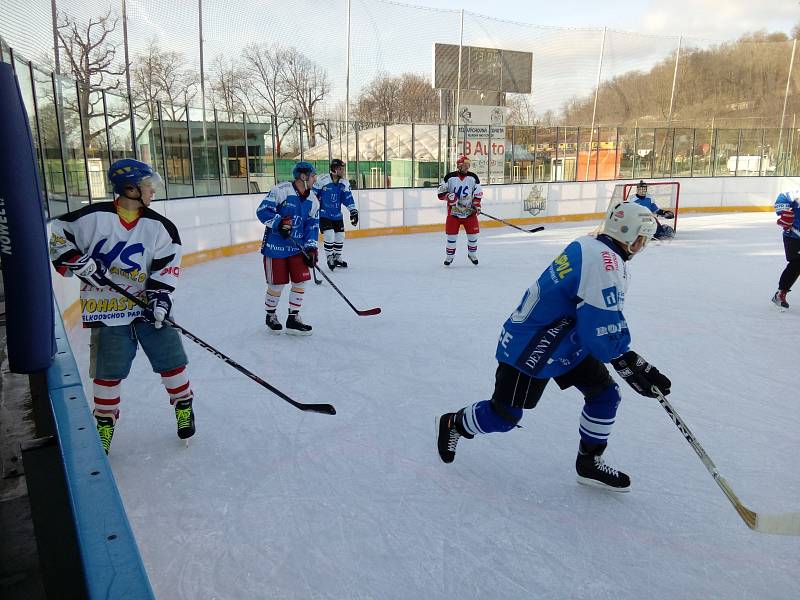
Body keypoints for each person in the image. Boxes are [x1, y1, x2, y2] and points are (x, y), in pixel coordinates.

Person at [436, 202, 671, 492]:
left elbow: (597, 315)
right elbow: (599, 326)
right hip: (531, 347)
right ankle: (454, 423)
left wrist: (627, 357)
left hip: (566, 341)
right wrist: (625, 358)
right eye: (644, 239)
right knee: (505, 416)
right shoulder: (606, 263)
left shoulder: (591, 244)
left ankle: (589, 462)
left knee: (605, 394)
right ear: (635, 238)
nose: (643, 245)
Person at [48, 159, 195, 454]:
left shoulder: (161, 227)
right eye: (146, 184)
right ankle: (104, 423)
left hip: (146, 308)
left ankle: (183, 405)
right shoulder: (91, 218)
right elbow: (55, 233)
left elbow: (166, 267)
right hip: (105, 309)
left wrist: (159, 299)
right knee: (107, 371)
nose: (152, 189)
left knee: (171, 359)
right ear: (129, 189)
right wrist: (77, 260)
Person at [256, 161, 320, 335]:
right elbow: (262, 211)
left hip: (297, 248)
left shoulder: (313, 200)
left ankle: (293, 318)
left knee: (301, 281)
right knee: (276, 285)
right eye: (313, 175)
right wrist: (279, 222)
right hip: (274, 248)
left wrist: (312, 248)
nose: (315, 179)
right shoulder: (281, 190)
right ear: (303, 176)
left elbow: (312, 226)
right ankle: (271, 315)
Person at [437, 155, 483, 265]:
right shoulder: (450, 177)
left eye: (468, 164)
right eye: (465, 164)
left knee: (473, 236)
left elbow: (478, 194)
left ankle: (472, 254)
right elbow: (440, 193)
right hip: (454, 213)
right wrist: (448, 196)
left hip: (469, 213)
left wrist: (476, 205)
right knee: (451, 237)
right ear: (459, 165)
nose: (467, 167)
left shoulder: (473, 177)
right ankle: (449, 257)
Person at [313, 158, 358, 270]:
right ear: (334, 169)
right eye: (340, 169)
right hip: (324, 214)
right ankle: (329, 257)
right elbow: (313, 196)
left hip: (337, 215)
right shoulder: (322, 180)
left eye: (343, 168)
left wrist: (353, 211)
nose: (343, 171)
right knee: (329, 234)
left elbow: (347, 197)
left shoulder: (344, 183)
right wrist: (311, 209)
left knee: (340, 236)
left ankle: (337, 257)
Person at [772, 189, 800, 309]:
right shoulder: (796, 195)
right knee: (797, 263)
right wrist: (784, 211)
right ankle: (780, 293)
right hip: (793, 237)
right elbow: (783, 197)